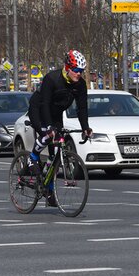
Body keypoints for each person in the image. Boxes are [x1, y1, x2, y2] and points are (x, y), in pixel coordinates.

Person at [25, 49, 93, 206]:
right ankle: (32, 157)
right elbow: (45, 104)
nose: (79, 74)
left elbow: (82, 108)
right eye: (76, 70)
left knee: (55, 153)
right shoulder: (52, 78)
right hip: (39, 109)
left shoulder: (80, 84)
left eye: (81, 71)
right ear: (67, 67)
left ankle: (49, 189)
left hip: (56, 115)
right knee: (47, 135)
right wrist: (48, 128)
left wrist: (85, 127)